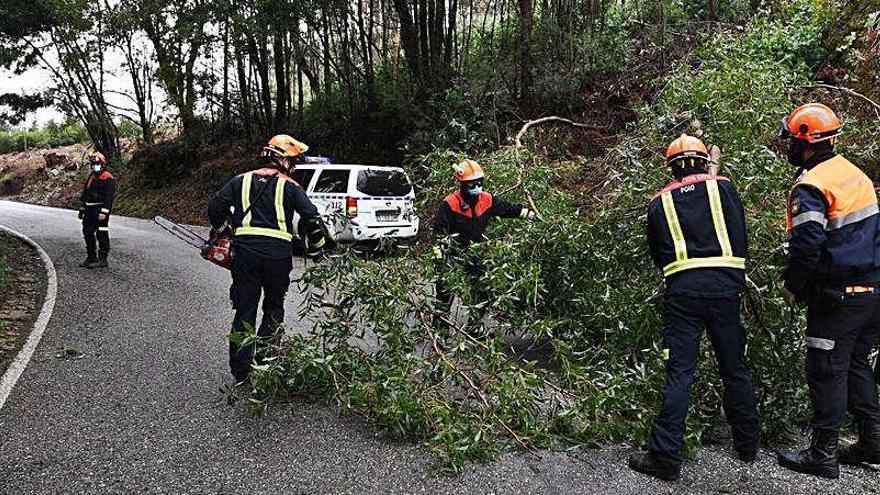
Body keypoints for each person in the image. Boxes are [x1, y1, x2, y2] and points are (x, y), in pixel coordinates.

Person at [629, 134, 760, 481]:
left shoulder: (659, 202)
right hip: (725, 292)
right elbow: (740, 236)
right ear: (704, 162)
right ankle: (747, 445)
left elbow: (657, 251)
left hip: (683, 294)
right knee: (734, 367)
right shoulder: (725, 189)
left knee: (680, 372)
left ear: (671, 168)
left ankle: (664, 457)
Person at [776, 103, 880, 479]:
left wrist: (792, 285)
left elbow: (808, 242)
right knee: (856, 365)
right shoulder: (855, 175)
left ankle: (823, 453)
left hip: (838, 296)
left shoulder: (811, 185)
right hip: (873, 292)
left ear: (805, 141)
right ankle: (873, 442)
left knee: (826, 369)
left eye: (790, 138)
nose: (787, 145)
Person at [208, 134, 327, 384]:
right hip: (278, 257)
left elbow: (215, 207)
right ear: (282, 159)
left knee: (245, 310)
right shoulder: (291, 186)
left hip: (245, 254)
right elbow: (313, 220)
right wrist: (317, 248)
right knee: (273, 308)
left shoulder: (240, 180)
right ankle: (265, 364)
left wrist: (221, 230)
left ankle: (240, 372)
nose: (293, 166)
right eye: (292, 161)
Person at [432, 158, 538, 332]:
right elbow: (439, 233)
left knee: (481, 291)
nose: (476, 187)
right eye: (472, 184)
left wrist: (529, 214)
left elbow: (508, 209)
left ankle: (474, 326)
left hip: (475, 253)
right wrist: (440, 258)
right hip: (452, 255)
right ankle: (440, 332)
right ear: (462, 184)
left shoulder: (487, 200)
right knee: (444, 295)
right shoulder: (450, 204)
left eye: (479, 183)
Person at [78, 151, 116, 269]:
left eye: (97, 163)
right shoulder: (91, 177)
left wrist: (104, 212)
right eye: (93, 163)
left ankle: (103, 259)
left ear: (102, 163)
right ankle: (91, 257)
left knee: (102, 233)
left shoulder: (107, 177)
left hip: (100, 210)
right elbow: (86, 194)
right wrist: (82, 209)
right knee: (88, 233)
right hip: (89, 210)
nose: (95, 165)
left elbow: (109, 197)